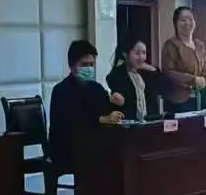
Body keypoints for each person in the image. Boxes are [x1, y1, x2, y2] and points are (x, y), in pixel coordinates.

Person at [48, 39, 122, 173]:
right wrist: (100, 120)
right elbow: (68, 123)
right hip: (68, 149)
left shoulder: (97, 89)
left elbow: (107, 114)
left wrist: (117, 106)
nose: (88, 69)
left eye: (91, 65)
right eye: (84, 65)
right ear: (71, 65)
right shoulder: (61, 90)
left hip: (95, 145)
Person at [161, 6, 206, 114]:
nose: (187, 23)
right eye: (183, 20)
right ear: (175, 23)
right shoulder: (171, 45)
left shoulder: (199, 45)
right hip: (177, 100)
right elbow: (169, 72)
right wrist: (193, 80)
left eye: (190, 19)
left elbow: (205, 68)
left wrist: (204, 80)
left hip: (198, 98)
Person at [107, 39, 168, 122]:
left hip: (149, 123)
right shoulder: (116, 76)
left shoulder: (145, 74)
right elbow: (124, 103)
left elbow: (164, 89)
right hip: (129, 124)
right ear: (125, 54)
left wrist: (152, 69)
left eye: (144, 53)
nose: (142, 57)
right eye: (137, 53)